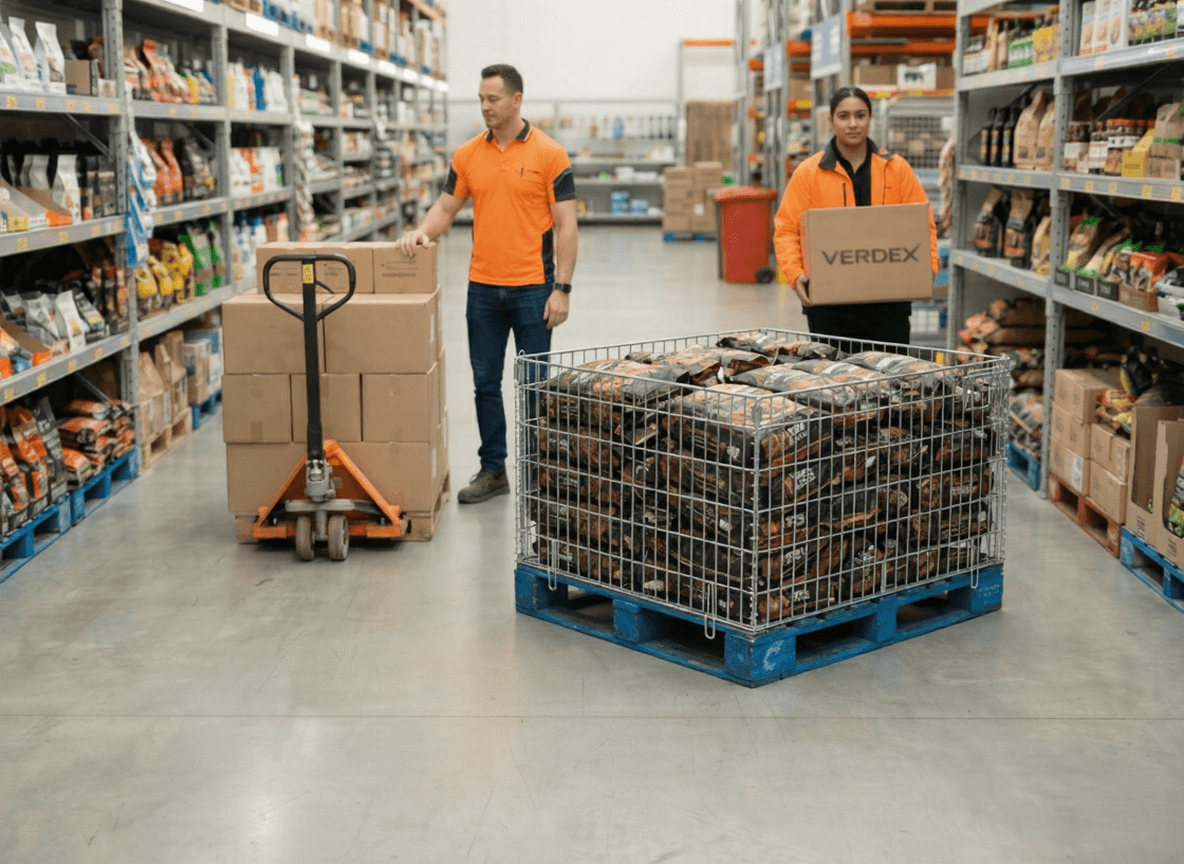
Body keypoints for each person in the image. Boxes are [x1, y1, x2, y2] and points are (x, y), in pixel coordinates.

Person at [395, 63, 578, 504]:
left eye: (493, 99)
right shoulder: (467, 155)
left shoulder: (550, 154)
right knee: (484, 384)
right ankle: (493, 470)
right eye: (481, 99)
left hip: (534, 289)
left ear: (516, 100)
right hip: (482, 290)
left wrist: (562, 288)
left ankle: (537, 473)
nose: (485, 107)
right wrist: (422, 232)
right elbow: (446, 207)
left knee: (534, 385)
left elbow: (566, 225)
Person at [773, 86, 938, 346]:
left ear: (870, 119)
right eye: (844, 116)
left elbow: (922, 225)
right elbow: (786, 230)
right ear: (831, 121)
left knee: (889, 372)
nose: (853, 124)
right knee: (835, 371)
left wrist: (928, 268)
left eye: (860, 116)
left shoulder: (896, 169)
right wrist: (795, 274)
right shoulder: (808, 173)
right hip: (830, 307)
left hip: (889, 306)